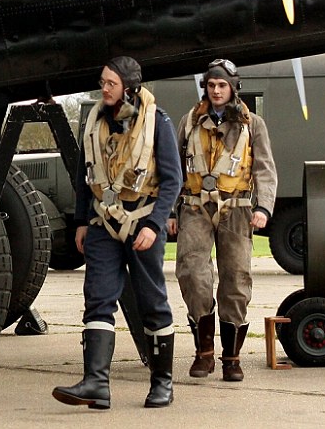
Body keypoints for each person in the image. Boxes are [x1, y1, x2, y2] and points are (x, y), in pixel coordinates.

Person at [52, 56, 182, 410]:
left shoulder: (159, 123)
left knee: (152, 302)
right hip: (100, 225)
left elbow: (173, 180)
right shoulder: (94, 122)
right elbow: (83, 176)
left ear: (129, 86)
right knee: (98, 297)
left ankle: (162, 383)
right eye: (102, 82)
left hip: (142, 223)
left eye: (110, 83)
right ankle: (96, 383)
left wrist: (155, 225)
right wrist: (81, 221)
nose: (103, 88)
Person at [168, 58, 277, 382]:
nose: (216, 91)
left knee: (236, 280)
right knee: (193, 274)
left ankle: (232, 358)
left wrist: (264, 208)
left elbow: (265, 170)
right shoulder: (189, 122)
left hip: (237, 208)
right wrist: (171, 212)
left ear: (233, 87)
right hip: (195, 208)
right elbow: (173, 170)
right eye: (212, 85)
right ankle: (204, 354)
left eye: (222, 85)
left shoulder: (252, 124)